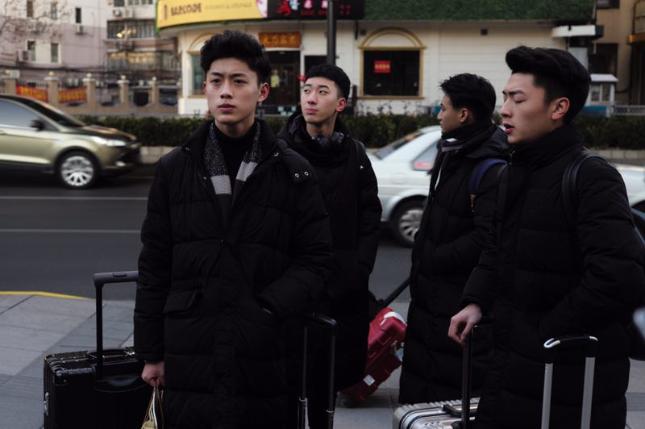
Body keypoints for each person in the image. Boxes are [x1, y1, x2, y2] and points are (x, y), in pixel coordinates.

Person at [134, 30, 332, 429]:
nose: (226, 91)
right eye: (216, 81)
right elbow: (154, 263)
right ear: (205, 88)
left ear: (262, 92)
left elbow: (316, 260)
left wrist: (270, 307)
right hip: (190, 346)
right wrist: (151, 352)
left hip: (264, 350)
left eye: (239, 81)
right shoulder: (174, 169)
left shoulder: (293, 171)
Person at [448, 46, 645, 428]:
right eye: (505, 97)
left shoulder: (591, 177)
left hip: (569, 378)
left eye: (518, 99)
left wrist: (545, 332)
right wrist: (475, 300)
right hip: (512, 370)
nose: (505, 110)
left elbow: (618, 275)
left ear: (558, 108)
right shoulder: (512, 173)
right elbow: (496, 249)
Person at [278, 64, 382, 429]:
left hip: (341, 292)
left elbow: (370, 216)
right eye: (307, 90)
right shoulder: (278, 152)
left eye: (322, 92)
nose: (311, 98)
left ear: (340, 103)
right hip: (289, 294)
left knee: (327, 387)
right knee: (286, 387)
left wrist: (359, 268)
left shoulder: (354, 155)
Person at [398, 73, 508, 404]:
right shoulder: (453, 151)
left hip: (457, 303)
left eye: (443, 108)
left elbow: (488, 239)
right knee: (421, 391)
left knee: (448, 398)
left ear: (464, 114)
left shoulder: (489, 167)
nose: (438, 114)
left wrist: (434, 257)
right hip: (430, 301)